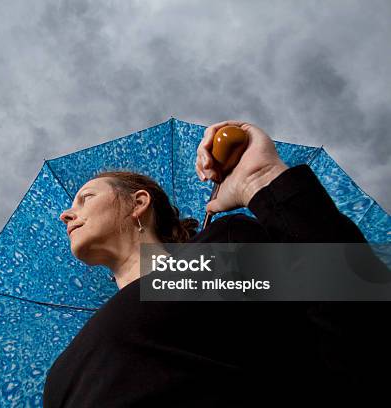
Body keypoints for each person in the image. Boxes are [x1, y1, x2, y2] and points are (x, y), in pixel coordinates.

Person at [43, 120, 390, 407]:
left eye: (85, 198)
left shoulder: (215, 255)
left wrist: (260, 179)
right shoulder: (60, 373)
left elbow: (360, 315)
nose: (66, 213)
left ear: (139, 203)